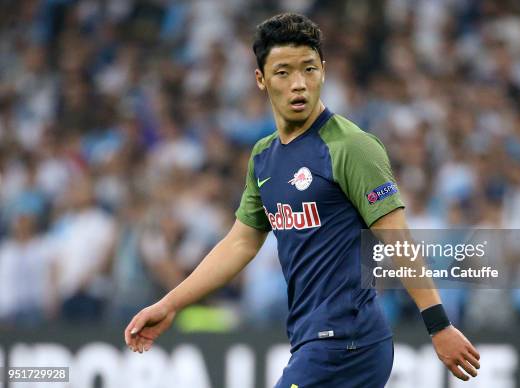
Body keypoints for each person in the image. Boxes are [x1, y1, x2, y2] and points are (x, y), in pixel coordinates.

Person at [124, 13, 480, 387]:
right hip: (311, 340)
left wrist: (438, 324)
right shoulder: (264, 157)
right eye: (283, 72)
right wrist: (170, 304)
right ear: (261, 80)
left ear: (323, 71)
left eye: (308, 69)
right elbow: (240, 243)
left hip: (348, 343)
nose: (298, 84)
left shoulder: (351, 147)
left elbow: (397, 238)